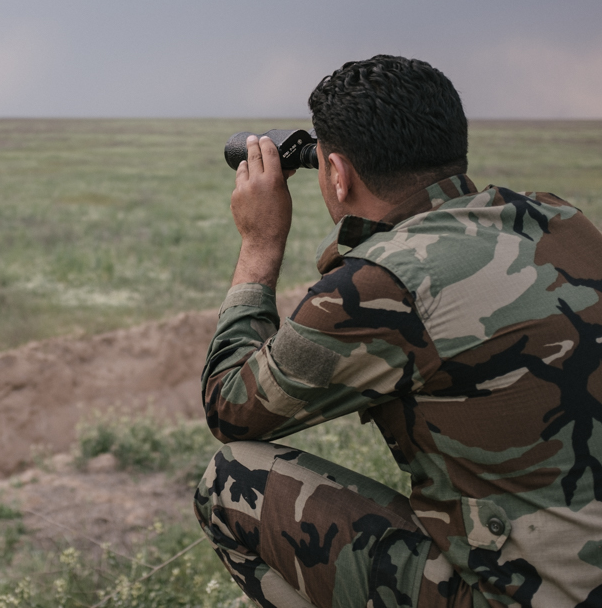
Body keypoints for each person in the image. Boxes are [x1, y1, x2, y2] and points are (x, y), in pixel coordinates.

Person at [193, 55, 602, 608]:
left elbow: (230, 406)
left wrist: (260, 243)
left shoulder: (380, 285)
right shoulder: (560, 219)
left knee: (231, 481)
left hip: (528, 595)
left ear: (335, 174)